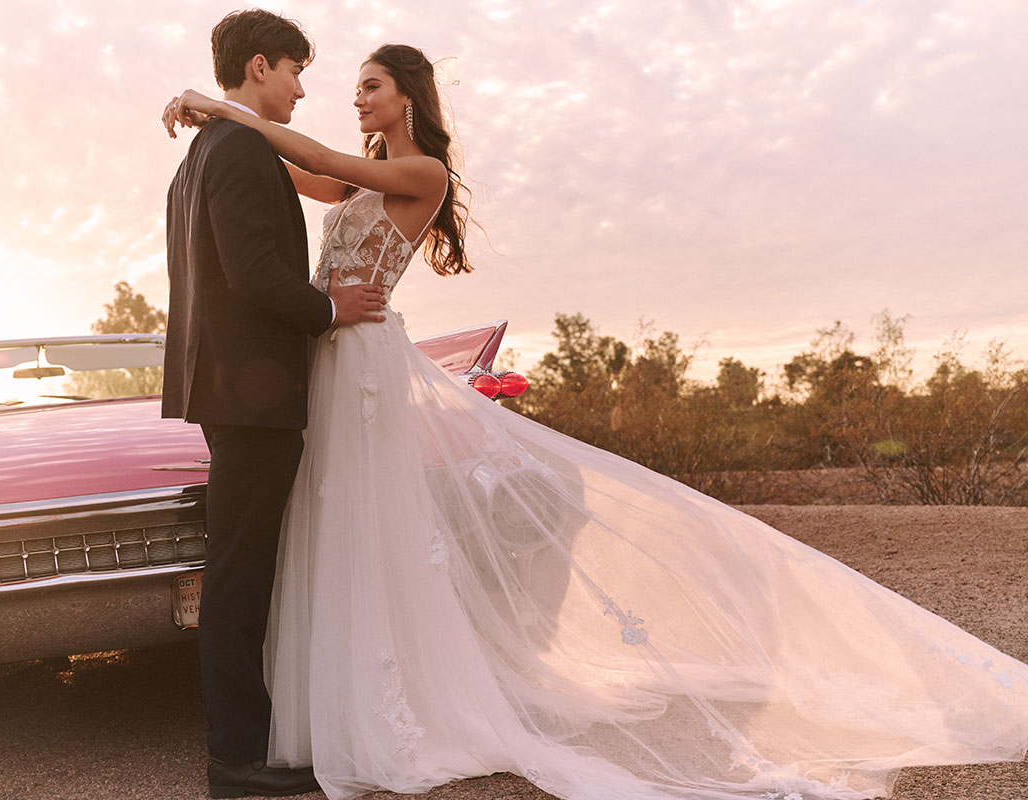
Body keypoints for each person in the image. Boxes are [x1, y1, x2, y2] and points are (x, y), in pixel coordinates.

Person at [163, 44, 1028, 800]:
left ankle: (382, 706)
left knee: (365, 523)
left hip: (362, 362)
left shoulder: (419, 174)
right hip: (330, 355)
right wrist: (224, 127)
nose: (355, 98)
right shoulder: (349, 171)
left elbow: (304, 152)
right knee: (329, 524)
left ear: (411, 99)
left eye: (372, 85)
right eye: (349, 85)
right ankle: (322, 709)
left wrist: (215, 107)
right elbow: (300, 168)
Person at [160, 10, 386, 799]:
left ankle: (246, 743)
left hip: (227, 390)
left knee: (244, 569)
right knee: (240, 574)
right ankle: (236, 758)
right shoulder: (240, 148)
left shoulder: (202, 152)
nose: (300, 87)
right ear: (259, 67)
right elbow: (253, 271)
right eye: (295, 71)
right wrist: (331, 311)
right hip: (251, 395)